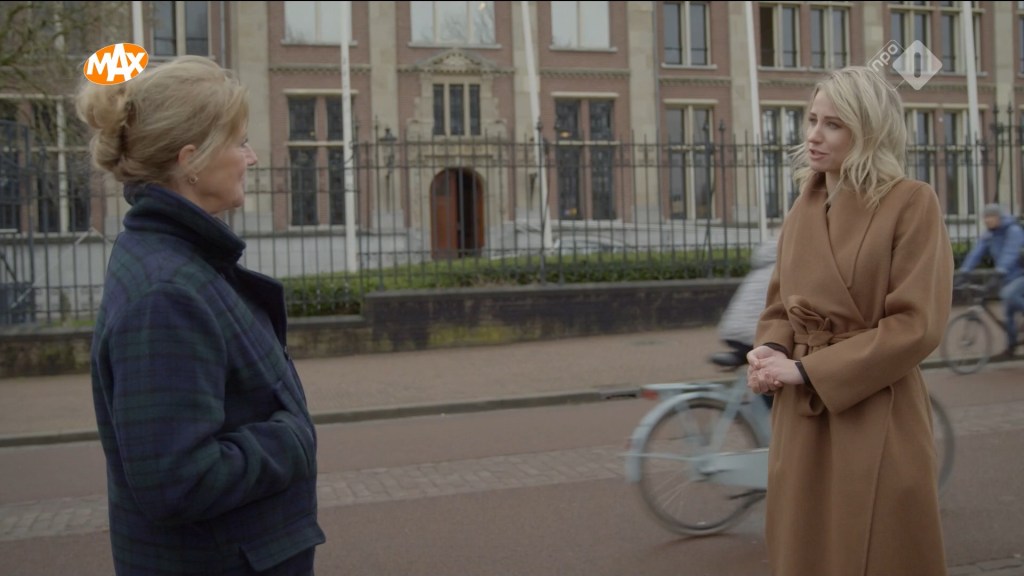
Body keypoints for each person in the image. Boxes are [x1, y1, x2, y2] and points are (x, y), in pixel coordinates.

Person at [79, 56, 325, 575]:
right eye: (240, 142)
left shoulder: (180, 260)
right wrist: (291, 438)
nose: (251, 158)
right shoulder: (167, 294)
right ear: (191, 159)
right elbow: (177, 481)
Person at [745, 66, 953, 576]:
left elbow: (917, 324)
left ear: (869, 132)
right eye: (812, 120)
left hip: (875, 406)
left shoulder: (911, 202)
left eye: (833, 124)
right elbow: (781, 305)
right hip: (803, 418)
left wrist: (809, 370)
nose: (814, 135)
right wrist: (771, 350)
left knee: (878, 551)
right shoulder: (803, 207)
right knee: (805, 547)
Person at [957, 203, 1024, 360]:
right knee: (1008, 312)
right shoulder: (989, 235)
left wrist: (1000, 270)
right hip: (1006, 277)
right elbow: (976, 253)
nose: (987, 220)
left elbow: (1010, 252)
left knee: (1008, 295)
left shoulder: (1013, 230)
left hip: (1020, 275)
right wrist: (964, 271)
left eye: (991, 216)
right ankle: (1011, 347)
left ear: (999, 217)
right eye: (985, 217)